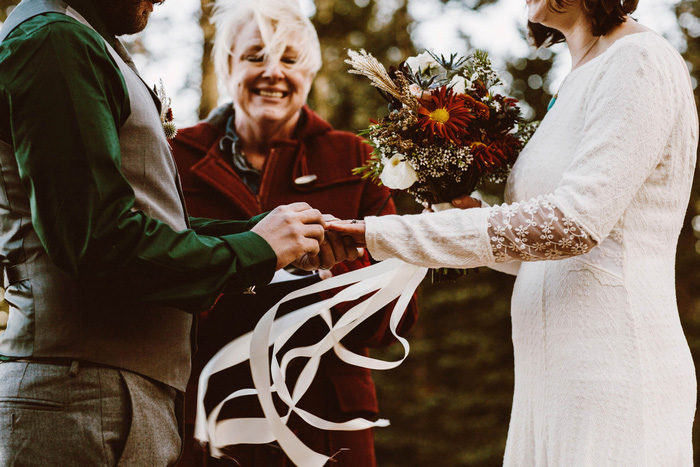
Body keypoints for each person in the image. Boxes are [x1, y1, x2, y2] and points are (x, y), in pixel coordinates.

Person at [330, 0, 699, 464]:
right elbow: (536, 255)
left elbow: (571, 226)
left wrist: (382, 235)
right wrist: (456, 207)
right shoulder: (580, 73)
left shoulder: (639, 60)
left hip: (614, 376)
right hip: (548, 385)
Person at [0, 0, 356, 465]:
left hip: (110, 395)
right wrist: (256, 249)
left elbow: (139, 223)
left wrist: (271, 239)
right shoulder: (55, 42)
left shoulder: (83, 40)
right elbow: (97, 240)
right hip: (84, 395)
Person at [170, 0, 418, 465]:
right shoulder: (176, 157)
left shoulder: (353, 159)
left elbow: (395, 323)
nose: (273, 73)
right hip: (205, 417)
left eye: (289, 60)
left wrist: (334, 272)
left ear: (309, 73)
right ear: (227, 65)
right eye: (255, 56)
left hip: (326, 423)